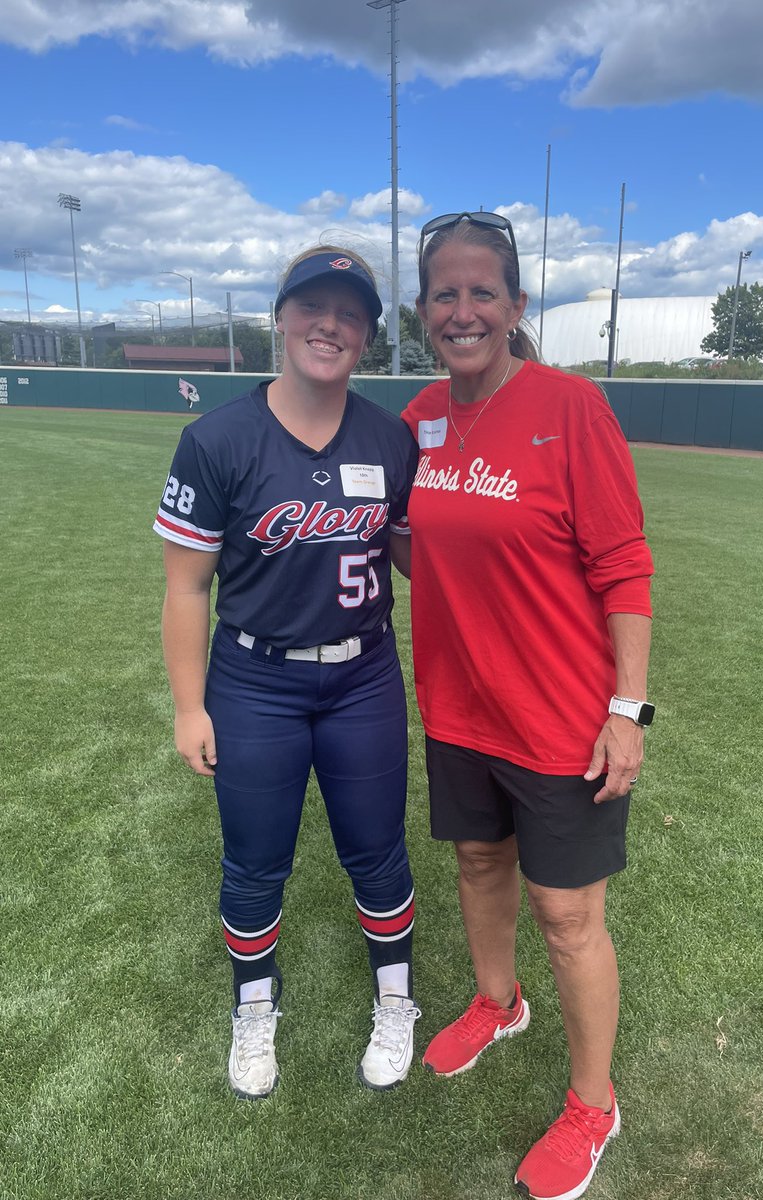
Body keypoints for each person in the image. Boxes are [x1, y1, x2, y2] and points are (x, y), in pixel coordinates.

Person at [400, 212, 654, 1200]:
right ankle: (498, 1004)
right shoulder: (421, 415)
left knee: (569, 915)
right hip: (460, 708)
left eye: (481, 292)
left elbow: (624, 563)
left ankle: (594, 1100)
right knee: (475, 860)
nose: (462, 310)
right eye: (444, 294)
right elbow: (417, 539)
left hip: (559, 718)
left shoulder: (571, 406)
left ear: (515, 304)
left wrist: (626, 708)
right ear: (423, 310)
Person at [154, 245, 421, 1099]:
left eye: (350, 313)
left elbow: (431, 561)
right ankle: (255, 1011)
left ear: (369, 336)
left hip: (363, 676)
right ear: (280, 316)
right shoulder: (217, 438)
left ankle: (396, 1001)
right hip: (255, 682)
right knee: (254, 864)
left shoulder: (390, 438)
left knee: (377, 853)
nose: (330, 326)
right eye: (314, 307)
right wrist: (189, 707)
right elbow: (188, 586)